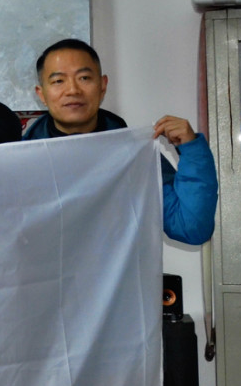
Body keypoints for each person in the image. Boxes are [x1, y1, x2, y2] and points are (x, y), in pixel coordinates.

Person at [24, 38, 218, 244]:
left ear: (103, 86)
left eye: (84, 78)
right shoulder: (22, 163)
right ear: (41, 94)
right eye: (58, 81)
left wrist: (191, 150)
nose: (72, 90)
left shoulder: (133, 155)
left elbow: (191, 227)